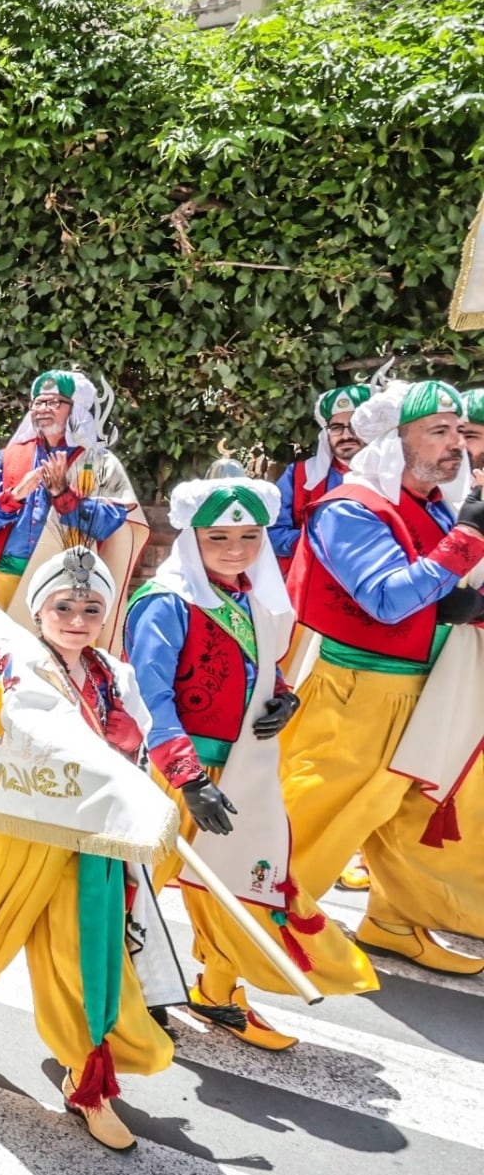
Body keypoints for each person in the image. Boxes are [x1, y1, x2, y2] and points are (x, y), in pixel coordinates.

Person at [0, 547, 179, 1148]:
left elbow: (141, 743)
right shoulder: (12, 666)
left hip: (87, 839)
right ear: (38, 611)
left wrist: (138, 754)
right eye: (63, 605)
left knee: (86, 958)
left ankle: (85, 1077)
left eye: (91, 606)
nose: (76, 618)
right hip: (20, 827)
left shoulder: (114, 676)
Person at [125, 472, 360, 1048]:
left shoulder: (250, 595)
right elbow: (149, 698)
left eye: (250, 538)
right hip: (176, 772)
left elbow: (256, 664)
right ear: (192, 540)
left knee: (239, 882)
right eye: (220, 539)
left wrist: (283, 695)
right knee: (137, 886)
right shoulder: (163, 605)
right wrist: (189, 778)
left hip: (246, 768)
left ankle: (219, 988)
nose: (236, 550)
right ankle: (130, 989)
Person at [283, 380, 484, 973]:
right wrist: (466, 538)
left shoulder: (432, 504)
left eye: (458, 431)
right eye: (439, 432)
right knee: (317, 820)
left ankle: (393, 920)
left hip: (428, 687)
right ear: (398, 443)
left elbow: (454, 588)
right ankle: (242, 934)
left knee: (412, 818)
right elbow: (389, 600)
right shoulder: (350, 507)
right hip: (359, 693)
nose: (456, 445)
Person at [0, 371, 138, 621]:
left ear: (75, 409)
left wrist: (63, 494)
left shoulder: (98, 461)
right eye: (38, 402)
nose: (43, 408)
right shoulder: (6, 458)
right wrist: (14, 496)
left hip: (69, 585)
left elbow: (108, 524)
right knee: (3, 657)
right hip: (8, 578)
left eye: (54, 402)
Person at [273, 384, 371, 566]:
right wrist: (320, 544)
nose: (346, 435)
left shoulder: (396, 476)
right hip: (314, 582)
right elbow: (271, 532)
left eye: (355, 426)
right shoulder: (299, 475)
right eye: (336, 427)